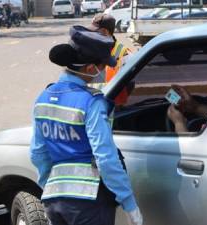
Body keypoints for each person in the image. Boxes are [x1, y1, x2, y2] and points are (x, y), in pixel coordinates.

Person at [30, 25, 143, 225]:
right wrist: (129, 203)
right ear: (90, 68)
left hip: (54, 201)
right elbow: (105, 158)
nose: (104, 71)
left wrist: (50, 187)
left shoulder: (43, 98)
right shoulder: (91, 102)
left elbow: (37, 154)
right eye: (102, 66)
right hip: (88, 204)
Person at [88, 13, 133, 106]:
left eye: (94, 32)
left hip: (116, 110)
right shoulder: (90, 49)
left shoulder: (124, 55)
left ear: (105, 32)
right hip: (93, 107)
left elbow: (131, 85)